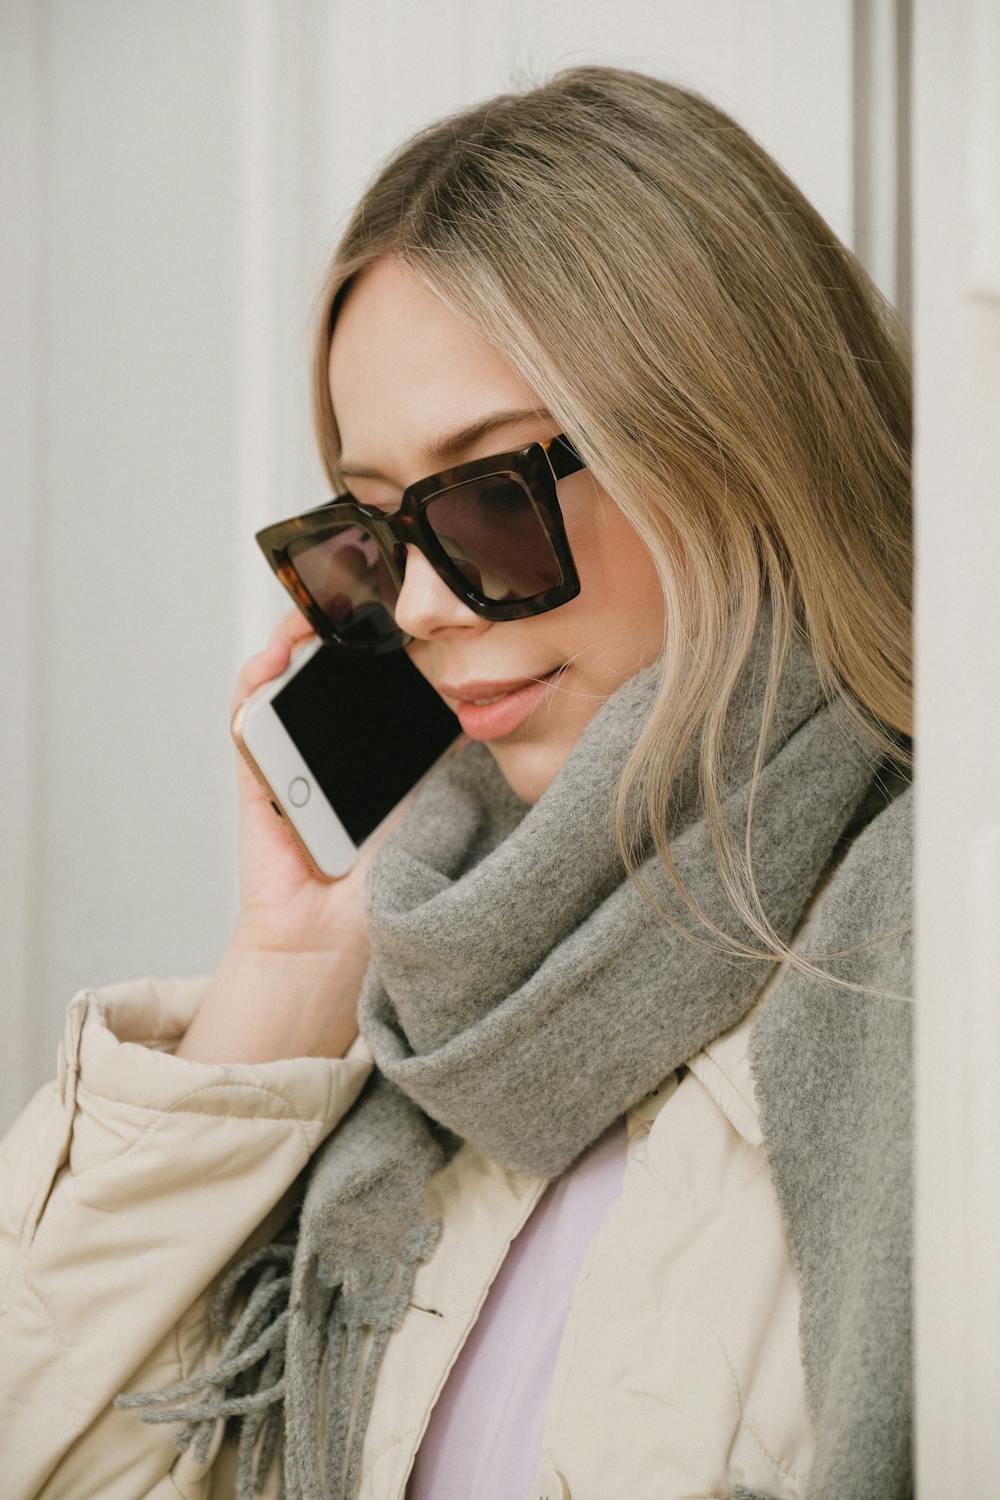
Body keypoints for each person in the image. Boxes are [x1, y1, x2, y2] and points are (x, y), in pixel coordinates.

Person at [0, 64, 914, 1500]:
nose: (416, 604)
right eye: (367, 531)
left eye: (490, 495)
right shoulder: (429, 992)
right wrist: (288, 974)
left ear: (744, 452)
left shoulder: (936, 968)